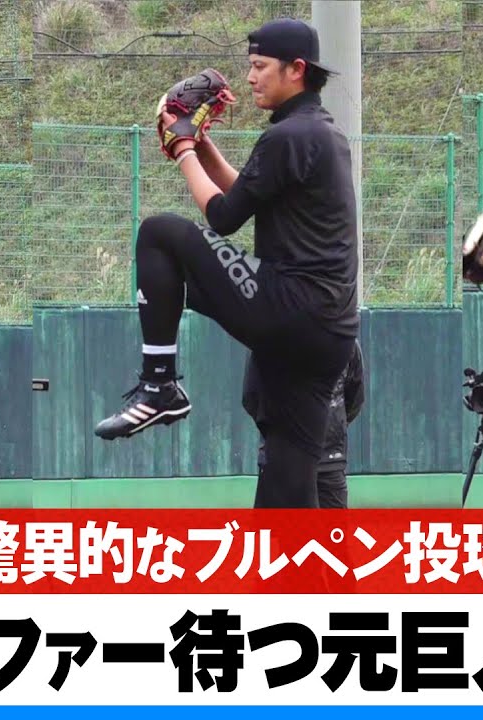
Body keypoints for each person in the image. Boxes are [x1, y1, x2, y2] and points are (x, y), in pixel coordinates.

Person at [93, 18, 360, 509]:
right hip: (329, 332)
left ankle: (160, 385)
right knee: (288, 480)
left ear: (297, 69)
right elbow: (246, 195)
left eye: (260, 66)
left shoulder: (288, 137)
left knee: (159, 235)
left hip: (291, 308)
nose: (251, 76)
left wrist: (182, 149)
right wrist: (200, 142)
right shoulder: (320, 133)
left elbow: (224, 216)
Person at [243, 342, 365, 508]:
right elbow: (252, 396)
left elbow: (355, 395)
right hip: (288, 463)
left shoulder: (345, 342)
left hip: (322, 462)